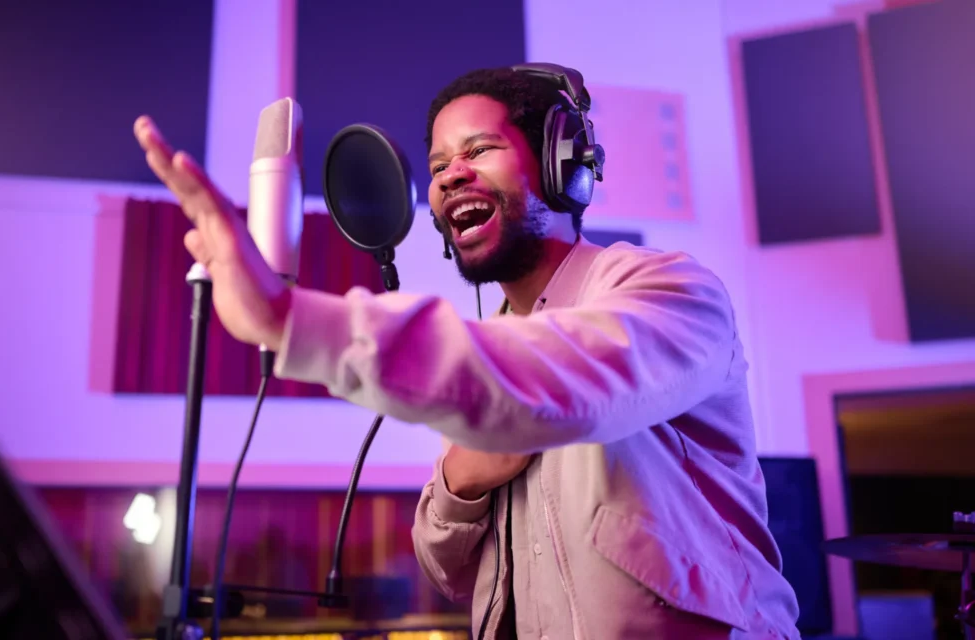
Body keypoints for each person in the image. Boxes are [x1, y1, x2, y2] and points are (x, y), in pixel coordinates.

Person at [133, 64, 801, 639]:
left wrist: (287, 318)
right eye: (438, 167)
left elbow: (561, 379)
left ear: (558, 163)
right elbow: (444, 564)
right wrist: (459, 484)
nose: (451, 177)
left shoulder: (670, 293)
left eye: (479, 150)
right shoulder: (491, 355)